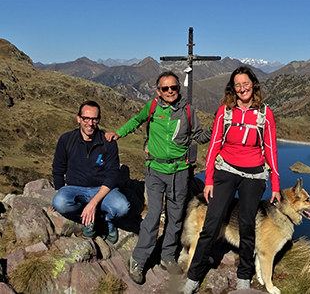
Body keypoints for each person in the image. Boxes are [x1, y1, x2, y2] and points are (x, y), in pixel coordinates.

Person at [105, 71, 212, 284]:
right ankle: (139, 259)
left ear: (178, 89)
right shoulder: (152, 107)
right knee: (153, 215)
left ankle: (167, 257)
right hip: (155, 170)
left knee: (175, 217)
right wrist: (118, 133)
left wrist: (215, 129)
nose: (170, 91)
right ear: (158, 91)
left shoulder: (189, 111)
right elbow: (136, 120)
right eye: (165, 88)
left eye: (173, 87)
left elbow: (199, 136)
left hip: (180, 172)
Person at [183, 66, 281, 293]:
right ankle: (194, 276)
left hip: (254, 175)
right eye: (237, 85)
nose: (242, 88)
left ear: (253, 85)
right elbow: (214, 147)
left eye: (246, 84)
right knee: (212, 221)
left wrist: (275, 185)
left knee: (247, 225)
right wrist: (208, 180)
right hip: (225, 170)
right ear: (232, 88)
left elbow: (271, 151)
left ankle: (244, 276)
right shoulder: (225, 112)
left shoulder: (265, 114)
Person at [51, 100, 130, 244]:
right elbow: (58, 168)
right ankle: (89, 220)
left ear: (98, 120)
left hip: (101, 189)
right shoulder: (67, 139)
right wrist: (59, 193)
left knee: (122, 207)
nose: (90, 123)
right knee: (60, 202)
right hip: (75, 188)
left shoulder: (108, 142)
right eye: (86, 118)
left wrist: (93, 203)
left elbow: (112, 175)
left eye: (94, 119)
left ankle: (106, 219)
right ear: (79, 119)